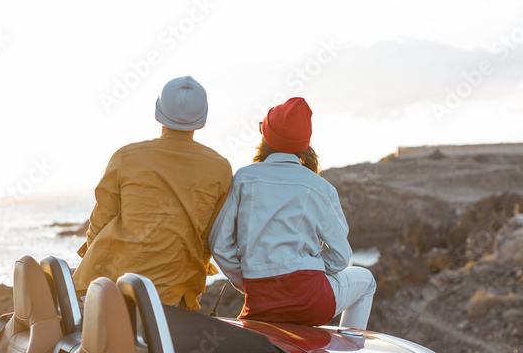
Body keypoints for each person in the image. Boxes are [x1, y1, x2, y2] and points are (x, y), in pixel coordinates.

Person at [209, 97, 376, 329]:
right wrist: (307, 268)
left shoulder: (244, 179)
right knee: (367, 281)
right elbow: (340, 257)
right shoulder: (321, 188)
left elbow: (219, 245)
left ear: (265, 135)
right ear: (306, 143)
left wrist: (248, 279)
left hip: (261, 303)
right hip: (312, 302)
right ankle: (350, 351)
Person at [73, 76, 232, 310]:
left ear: (159, 112)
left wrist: (93, 261)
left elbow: (99, 223)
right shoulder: (220, 168)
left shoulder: (126, 156)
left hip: (109, 286)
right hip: (173, 294)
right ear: (202, 119)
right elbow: (208, 239)